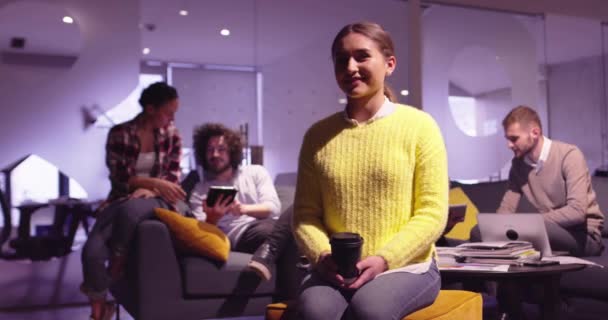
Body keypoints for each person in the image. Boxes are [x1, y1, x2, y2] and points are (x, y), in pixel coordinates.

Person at [292, 22, 449, 320]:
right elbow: (304, 215)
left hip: (407, 265)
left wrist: (384, 259)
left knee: (370, 309)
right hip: (337, 268)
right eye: (342, 59)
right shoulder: (317, 136)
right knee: (315, 311)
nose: (350, 67)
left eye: (362, 56)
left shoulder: (420, 126)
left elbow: (432, 212)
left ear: (389, 64)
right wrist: (321, 255)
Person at [80, 82, 185, 320]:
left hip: (158, 202)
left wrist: (152, 190)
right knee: (92, 252)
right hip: (122, 199)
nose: (172, 118)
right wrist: (152, 183)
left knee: (131, 209)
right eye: (168, 112)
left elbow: (172, 178)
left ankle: (118, 260)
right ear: (150, 108)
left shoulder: (172, 135)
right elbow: (120, 178)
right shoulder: (120, 133)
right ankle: (99, 311)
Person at [496, 105, 604, 256]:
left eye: (514, 139)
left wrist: (528, 223)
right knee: (479, 232)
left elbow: (577, 211)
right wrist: (494, 230)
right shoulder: (518, 165)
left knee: (536, 232)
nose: (509, 145)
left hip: (584, 235)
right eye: (508, 139)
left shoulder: (569, 155)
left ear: (535, 133)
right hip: (549, 231)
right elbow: (506, 209)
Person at [188, 123, 282, 265]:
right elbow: (201, 235)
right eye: (210, 150)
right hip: (239, 236)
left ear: (232, 151)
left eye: (221, 149)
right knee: (274, 231)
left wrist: (243, 209)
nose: (215, 154)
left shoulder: (256, 172)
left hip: (266, 224)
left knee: (295, 216)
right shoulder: (199, 191)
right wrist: (212, 218)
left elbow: (273, 208)